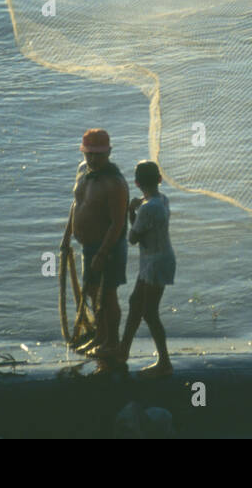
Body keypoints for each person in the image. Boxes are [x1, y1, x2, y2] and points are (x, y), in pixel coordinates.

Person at [61, 129, 127, 362]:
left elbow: (118, 223)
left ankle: (112, 341)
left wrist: (103, 253)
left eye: (98, 155)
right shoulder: (83, 171)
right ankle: (100, 335)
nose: (93, 159)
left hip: (108, 248)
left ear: (109, 152)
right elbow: (76, 204)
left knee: (107, 294)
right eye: (89, 154)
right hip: (87, 245)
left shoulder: (115, 183)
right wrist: (67, 235)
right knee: (91, 291)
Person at [120, 160, 175, 377]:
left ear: (136, 183)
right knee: (135, 302)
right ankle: (123, 349)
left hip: (156, 262)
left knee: (149, 312)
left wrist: (130, 212)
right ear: (160, 180)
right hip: (159, 258)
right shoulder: (162, 199)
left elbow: (133, 238)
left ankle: (165, 362)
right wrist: (137, 208)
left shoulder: (147, 208)